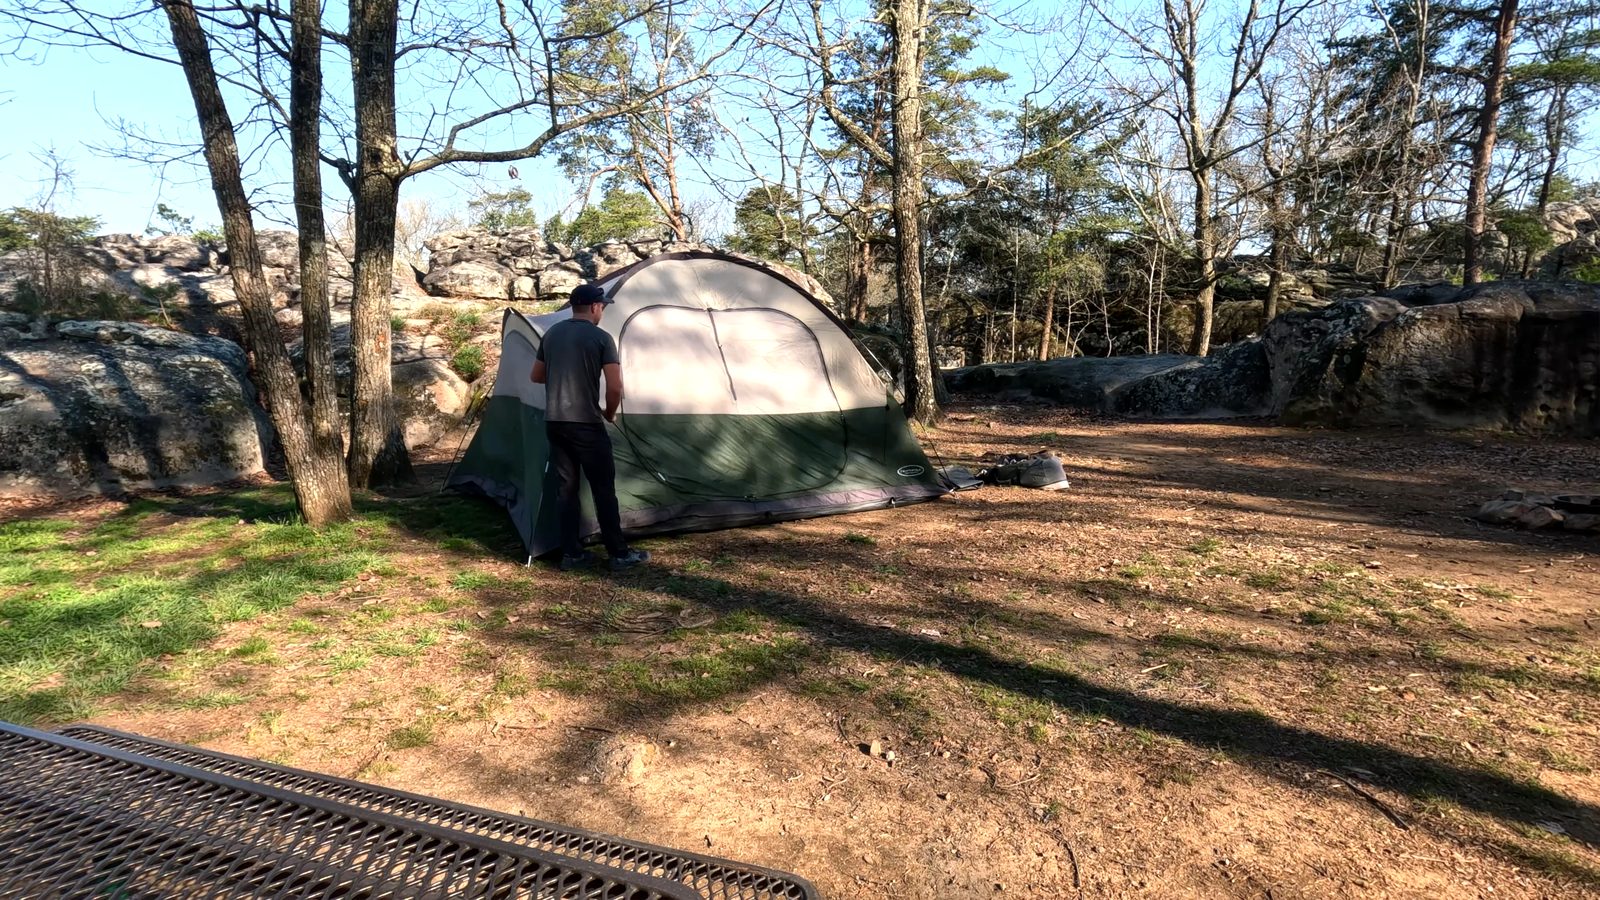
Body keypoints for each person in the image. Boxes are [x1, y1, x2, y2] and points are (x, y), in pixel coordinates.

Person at [531, 283, 650, 571]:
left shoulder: (552, 334)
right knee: (603, 489)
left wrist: (564, 377)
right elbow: (615, 386)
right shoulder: (601, 338)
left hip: (555, 422)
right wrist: (609, 413)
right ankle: (618, 554)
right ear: (596, 307)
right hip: (586, 423)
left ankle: (572, 554)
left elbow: (537, 376)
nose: (603, 311)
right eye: (603, 307)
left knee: (566, 490)